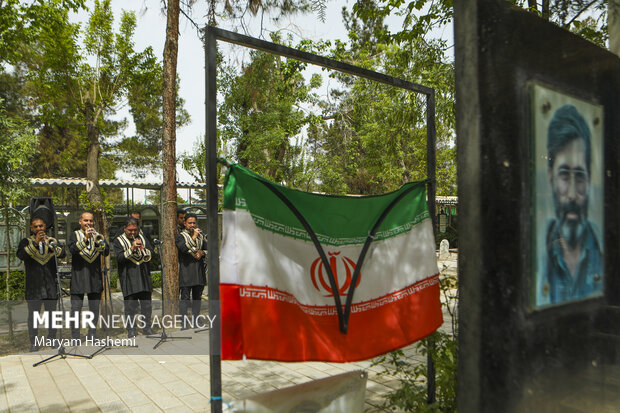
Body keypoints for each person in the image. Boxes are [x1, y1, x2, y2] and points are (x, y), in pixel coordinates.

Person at [538, 104, 603, 305]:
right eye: (564, 176)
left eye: (580, 177)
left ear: (590, 179)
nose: (573, 194)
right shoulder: (538, 259)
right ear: (550, 178)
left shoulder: (604, 255)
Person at [16, 217, 66, 352]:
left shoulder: (52, 241)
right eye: (36, 227)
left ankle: (52, 338)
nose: (39, 229)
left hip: (50, 286)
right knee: (33, 316)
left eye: (41, 226)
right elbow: (21, 255)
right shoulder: (26, 241)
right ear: (31, 228)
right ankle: (34, 342)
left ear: (45, 227)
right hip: (34, 287)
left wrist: (52, 245)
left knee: (52, 315)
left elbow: (63, 254)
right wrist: (36, 243)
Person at [68, 211, 109, 340]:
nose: (89, 223)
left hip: (94, 277)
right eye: (86, 221)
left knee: (94, 308)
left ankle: (92, 334)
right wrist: (85, 239)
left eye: (91, 221)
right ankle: (75, 336)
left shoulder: (98, 236)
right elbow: (72, 250)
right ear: (80, 221)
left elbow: (106, 251)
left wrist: (99, 240)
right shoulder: (74, 235)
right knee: (76, 309)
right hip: (78, 276)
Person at [113, 217, 154, 337]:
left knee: (147, 304)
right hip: (128, 276)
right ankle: (131, 330)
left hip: (143, 274)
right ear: (124, 228)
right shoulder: (118, 240)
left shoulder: (142, 237)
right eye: (130, 230)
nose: (132, 233)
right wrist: (132, 248)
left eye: (135, 230)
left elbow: (152, 251)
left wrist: (144, 249)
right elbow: (119, 258)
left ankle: (147, 327)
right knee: (130, 306)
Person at [175, 213, 206, 329]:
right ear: (185, 223)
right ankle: (184, 322)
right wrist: (193, 237)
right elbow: (183, 249)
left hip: (199, 271)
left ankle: (196, 320)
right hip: (186, 270)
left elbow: (207, 249)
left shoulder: (201, 236)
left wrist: (202, 253)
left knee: (197, 297)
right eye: (190, 223)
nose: (192, 225)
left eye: (194, 223)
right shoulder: (180, 236)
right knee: (185, 298)